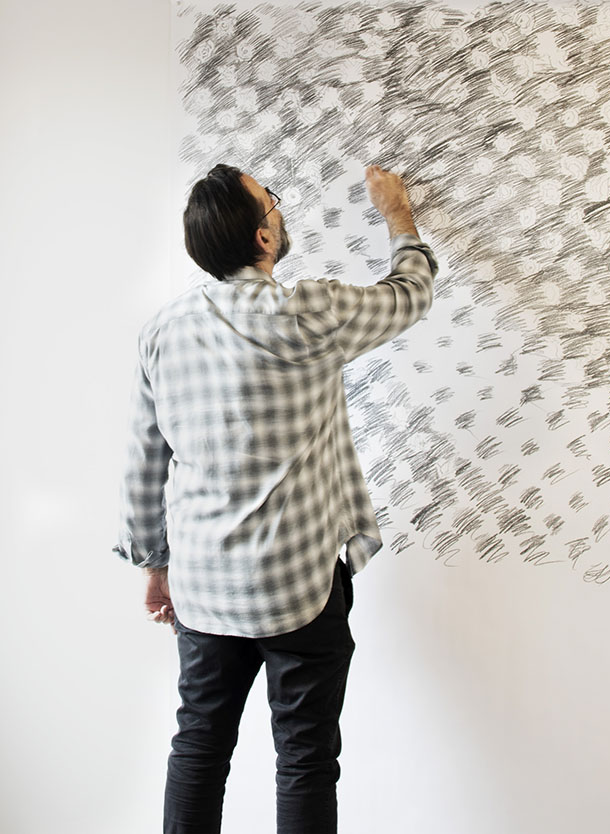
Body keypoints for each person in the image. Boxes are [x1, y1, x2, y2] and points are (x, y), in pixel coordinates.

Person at [114, 163, 438, 834]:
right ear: (263, 239)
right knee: (305, 760)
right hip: (299, 588)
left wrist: (154, 567)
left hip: (202, 589)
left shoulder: (162, 334)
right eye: (273, 203)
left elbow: (147, 461)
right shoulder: (307, 312)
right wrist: (397, 216)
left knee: (199, 746)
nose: (279, 211)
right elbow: (410, 294)